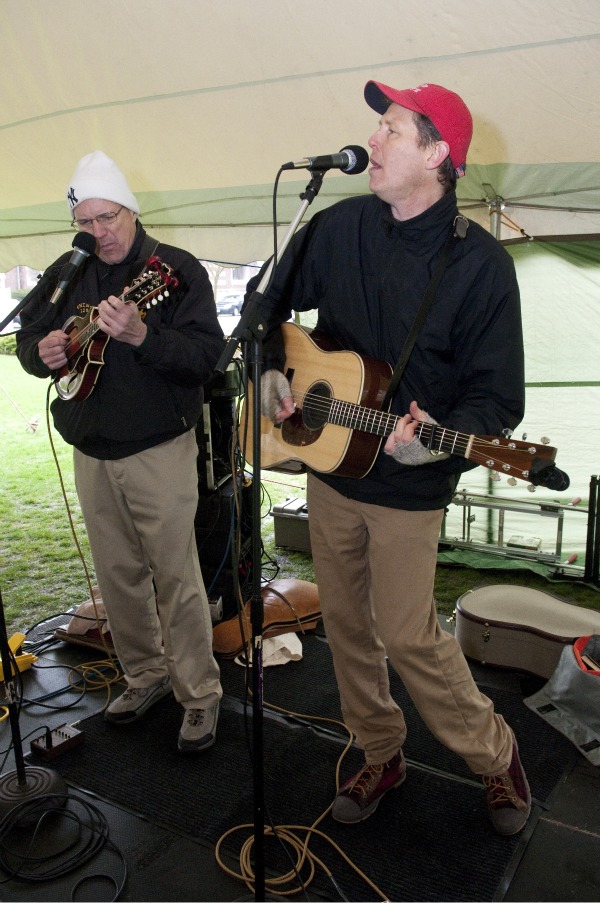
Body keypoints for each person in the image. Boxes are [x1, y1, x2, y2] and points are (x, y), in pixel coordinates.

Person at [249, 81, 531, 835]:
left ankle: (494, 752)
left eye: (392, 128)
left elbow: (498, 401)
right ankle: (380, 747)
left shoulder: (481, 267)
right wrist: (271, 369)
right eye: (376, 125)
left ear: (438, 154)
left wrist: (434, 432)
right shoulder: (337, 227)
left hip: (412, 483)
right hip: (332, 469)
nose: (372, 140)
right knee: (344, 622)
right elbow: (266, 312)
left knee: (407, 632)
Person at [16, 151, 224, 753]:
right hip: (92, 445)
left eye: (107, 218)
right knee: (118, 577)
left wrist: (142, 335)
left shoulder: (175, 270)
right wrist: (44, 352)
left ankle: (199, 695)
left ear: (131, 210)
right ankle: (144, 676)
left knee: (176, 576)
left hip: (157, 446)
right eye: (85, 222)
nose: (98, 233)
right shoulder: (68, 269)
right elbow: (29, 337)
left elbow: (206, 357)